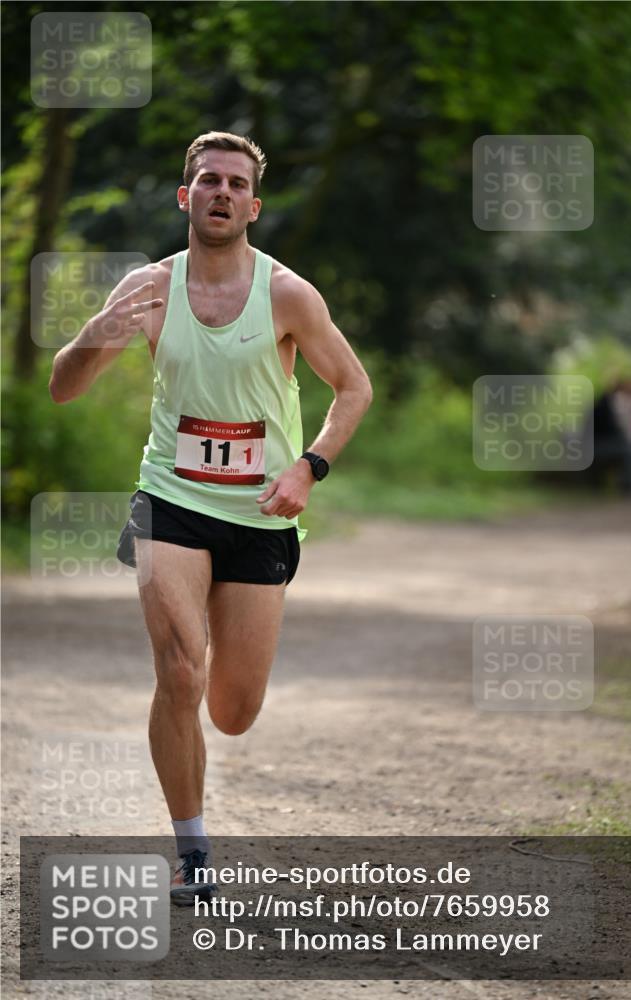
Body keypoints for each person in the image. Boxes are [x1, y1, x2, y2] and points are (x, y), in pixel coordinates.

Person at [48, 131, 373, 905]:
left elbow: (353, 387)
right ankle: (192, 854)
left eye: (235, 184)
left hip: (260, 513)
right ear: (184, 196)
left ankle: (213, 735)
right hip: (172, 499)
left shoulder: (288, 295)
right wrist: (95, 337)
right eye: (207, 180)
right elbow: (63, 386)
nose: (221, 192)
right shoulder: (148, 289)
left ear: (252, 206)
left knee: (231, 709)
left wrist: (308, 466)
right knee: (179, 670)